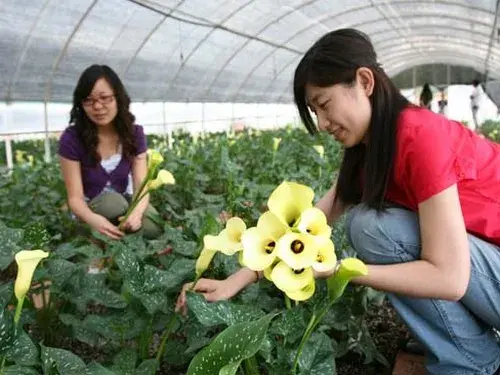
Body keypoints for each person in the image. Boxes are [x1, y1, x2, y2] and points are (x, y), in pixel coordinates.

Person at [176, 29, 500, 375]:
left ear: (364, 81)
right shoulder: (371, 149)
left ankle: (473, 361)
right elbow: (312, 222)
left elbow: (450, 279)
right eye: (314, 111)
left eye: (324, 104)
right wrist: (235, 280)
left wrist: (341, 271)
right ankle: (472, 351)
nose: (322, 123)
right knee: (372, 226)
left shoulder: (420, 136)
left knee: (377, 230)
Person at [58, 64, 163, 240]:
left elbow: (141, 186)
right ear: (80, 104)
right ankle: (93, 239)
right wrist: (94, 220)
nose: (98, 106)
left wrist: (136, 215)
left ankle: (115, 242)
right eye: (88, 100)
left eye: (105, 98)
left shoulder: (134, 134)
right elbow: (75, 199)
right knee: (112, 203)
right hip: (90, 209)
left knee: (152, 225)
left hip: (125, 201)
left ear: (118, 98)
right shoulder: (72, 139)